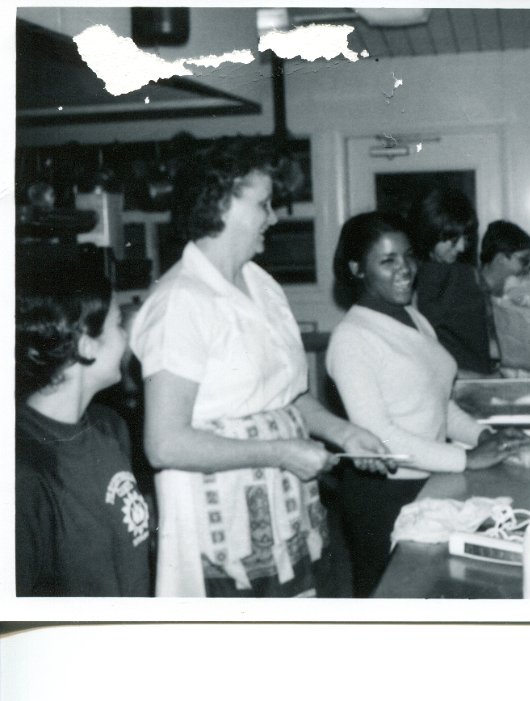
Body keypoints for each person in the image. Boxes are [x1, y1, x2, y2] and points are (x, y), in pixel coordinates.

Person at [129, 137, 392, 598]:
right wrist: (281, 452)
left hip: (284, 516)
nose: (274, 217)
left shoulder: (262, 284)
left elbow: (286, 396)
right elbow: (165, 444)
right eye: (264, 204)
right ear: (221, 203)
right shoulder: (179, 302)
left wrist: (342, 432)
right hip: (220, 528)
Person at [326, 212, 529, 597]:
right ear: (356, 269)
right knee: (391, 601)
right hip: (384, 496)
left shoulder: (414, 318)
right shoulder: (352, 338)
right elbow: (379, 435)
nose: (404, 268)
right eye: (387, 260)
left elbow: (439, 403)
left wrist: (485, 435)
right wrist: (467, 459)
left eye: (407, 256)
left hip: (433, 479)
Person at [15, 257, 152, 596]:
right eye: (118, 324)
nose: (126, 338)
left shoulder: (111, 429)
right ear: (86, 346)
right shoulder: (23, 472)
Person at [408, 188, 496, 377]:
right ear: (429, 233)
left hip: (473, 377)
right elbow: (419, 353)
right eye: (453, 240)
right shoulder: (412, 278)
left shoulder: (460, 273)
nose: (463, 248)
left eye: (466, 238)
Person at [479, 220, 530, 296]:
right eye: (524, 260)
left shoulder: (499, 291)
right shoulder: (473, 296)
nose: (527, 268)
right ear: (500, 259)